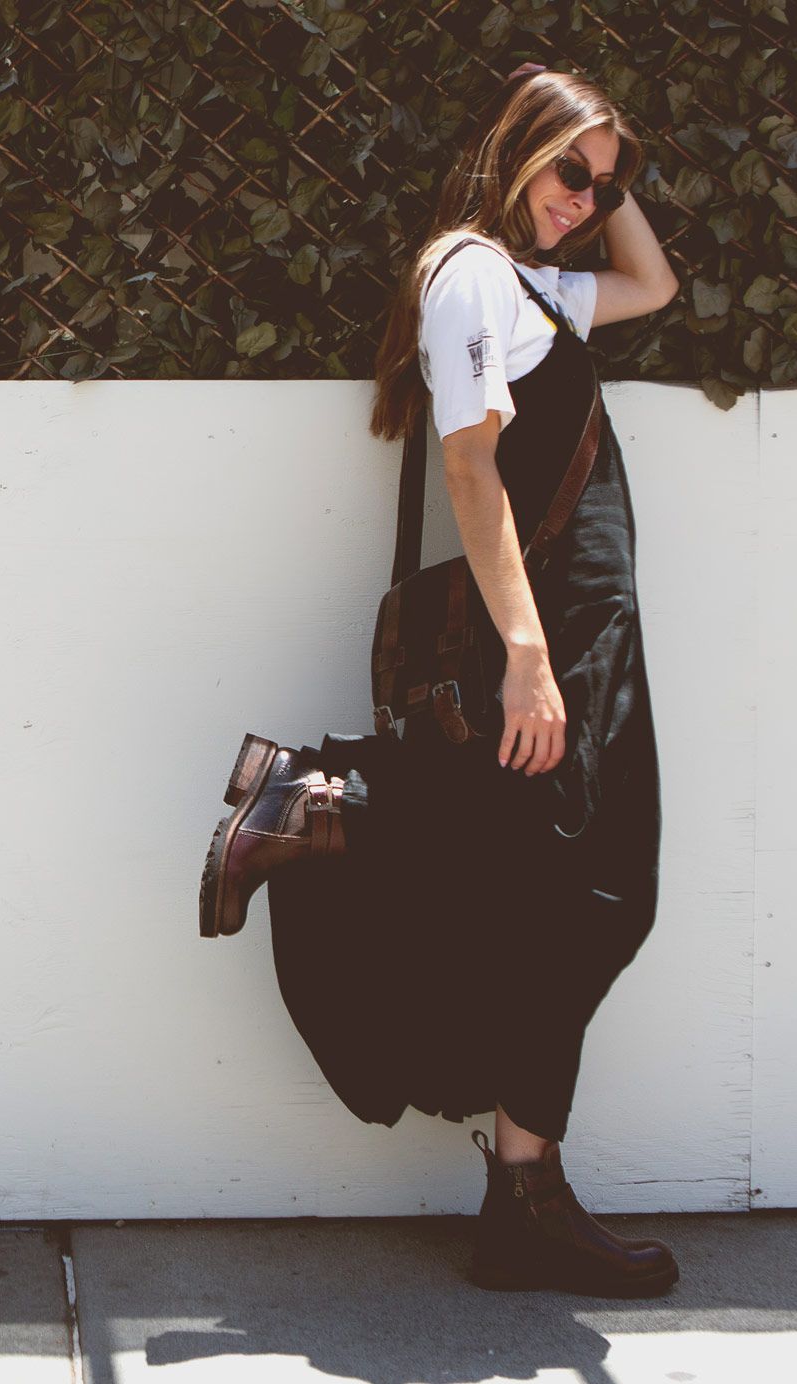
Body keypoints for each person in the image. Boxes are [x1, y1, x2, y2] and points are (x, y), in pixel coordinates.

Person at [199, 63, 681, 1298]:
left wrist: (608, 170)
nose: (588, 198)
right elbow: (471, 470)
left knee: (558, 890)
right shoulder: (470, 271)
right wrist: (527, 656)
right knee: (599, 892)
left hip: (591, 636)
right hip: (550, 638)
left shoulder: (540, 286)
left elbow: (656, 283)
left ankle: (523, 1194)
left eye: (605, 180)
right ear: (515, 148)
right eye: (569, 169)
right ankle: (319, 809)